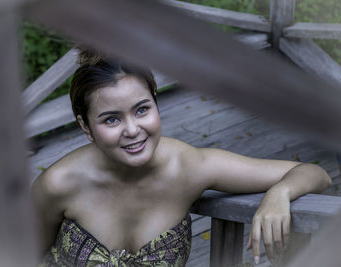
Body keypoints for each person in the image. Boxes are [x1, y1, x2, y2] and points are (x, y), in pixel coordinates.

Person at [32, 49, 332, 266]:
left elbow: (315, 174)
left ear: (156, 104)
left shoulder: (190, 167)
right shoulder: (58, 184)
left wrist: (280, 194)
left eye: (141, 110)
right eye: (112, 119)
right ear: (85, 126)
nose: (133, 130)